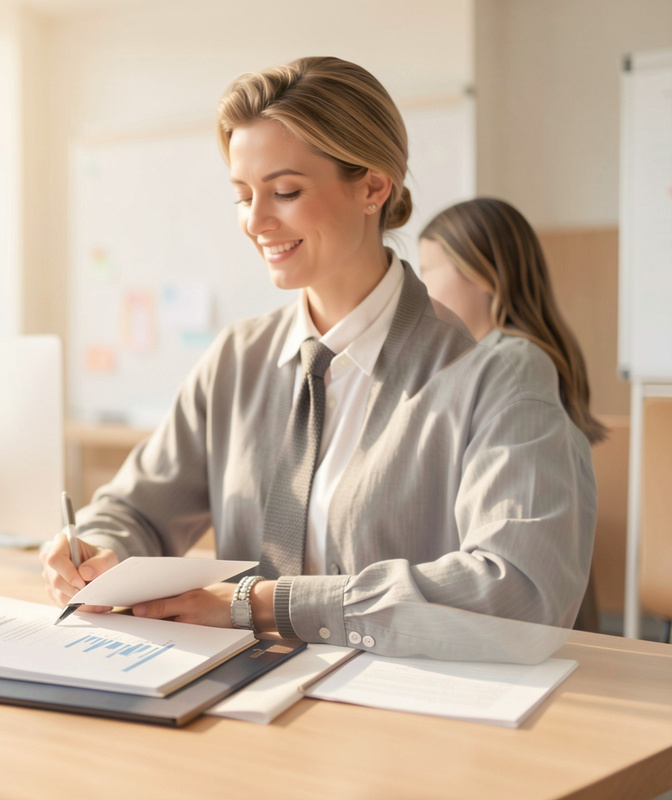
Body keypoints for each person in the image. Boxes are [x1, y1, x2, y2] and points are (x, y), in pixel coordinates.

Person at [41, 57, 596, 662]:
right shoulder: (236, 360)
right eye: (242, 195)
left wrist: (263, 604)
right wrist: (94, 548)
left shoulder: (495, 376)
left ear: (373, 187)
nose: (255, 221)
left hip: (403, 721)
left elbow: (520, 593)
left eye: (285, 191)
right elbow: (135, 509)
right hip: (232, 706)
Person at [418, 196, 607, 630]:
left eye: (427, 270)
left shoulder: (512, 363)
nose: (420, 289)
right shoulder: (497, 358)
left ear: (482, 273)